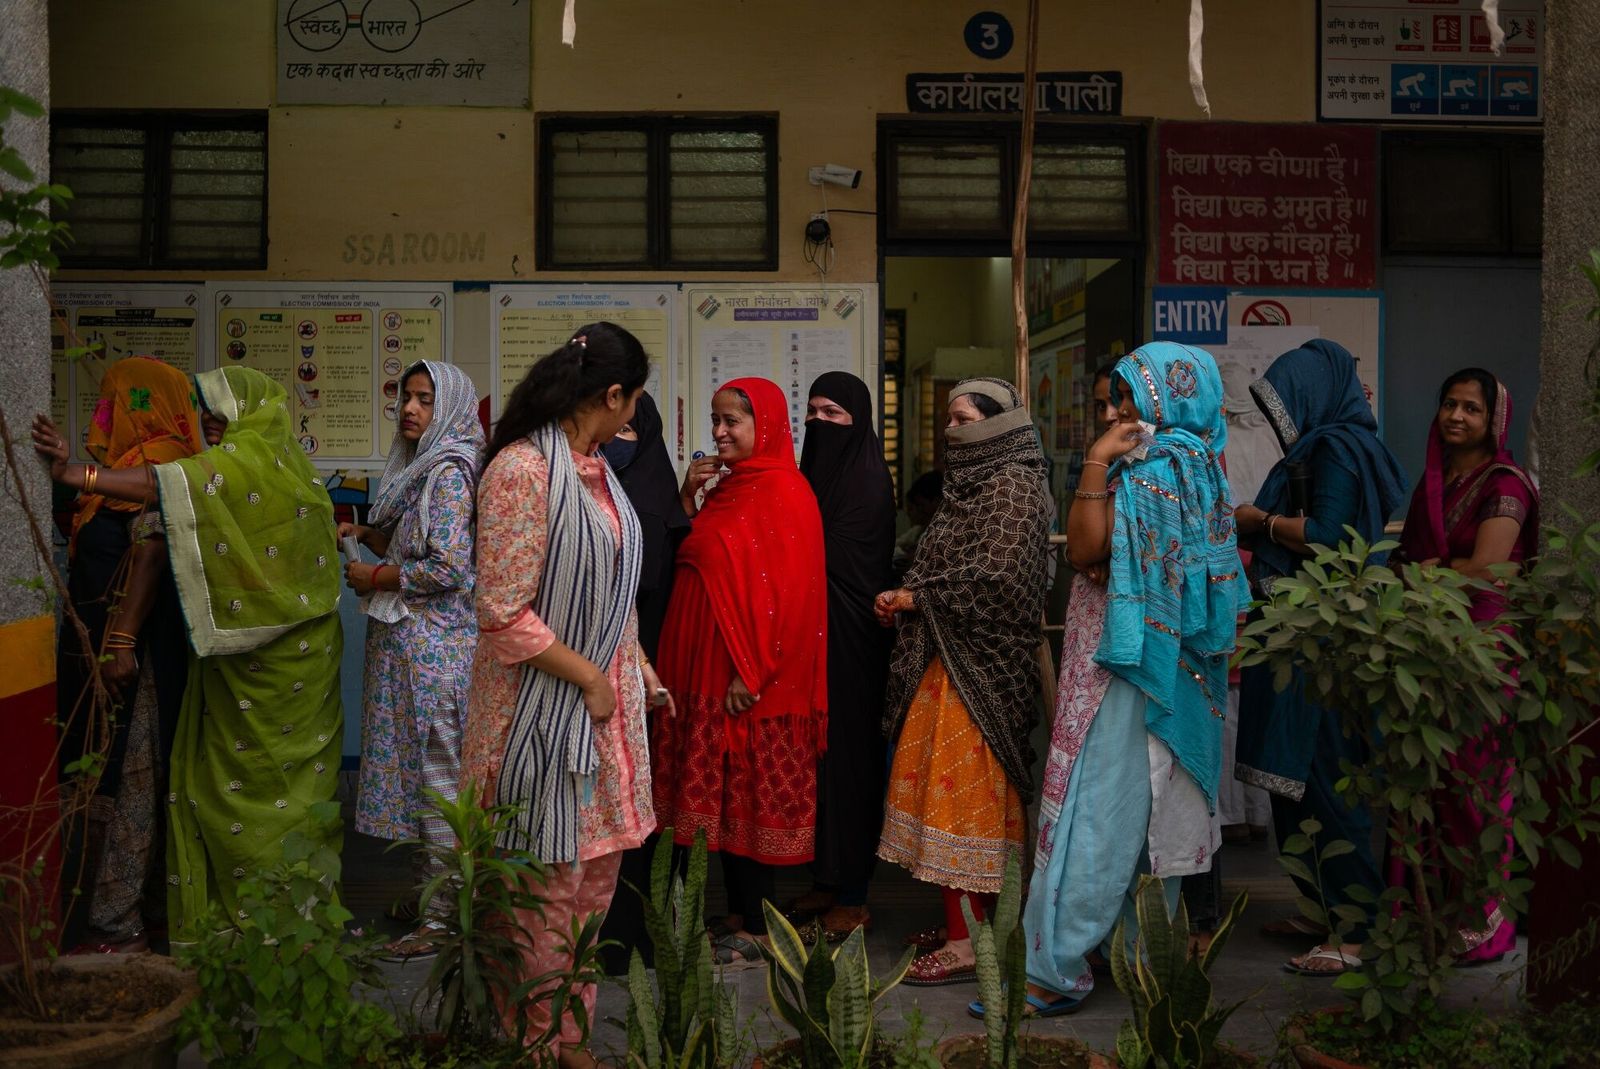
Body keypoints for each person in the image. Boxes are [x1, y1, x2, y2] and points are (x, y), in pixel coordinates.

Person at [34, 365, 345, 945]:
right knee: (210, 792)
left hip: (264, 671)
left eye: (221, 405)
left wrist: (77, 473)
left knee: (182, 787)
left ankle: (256, 920)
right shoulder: (241, 471)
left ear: (252, 413)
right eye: (203, 405)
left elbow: (159, 497)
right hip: (225, 668)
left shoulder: (232, 471)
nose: (209, 417)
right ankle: (247, 917)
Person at [1018, 343, 1246, 1015]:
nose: (1120, 412)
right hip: (1166, 666)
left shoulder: (1156, 470)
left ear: (1166, 399)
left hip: (1130, 668)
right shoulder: (1200, 465)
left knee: (1099, 813)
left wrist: (1095, 459)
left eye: (1128, 398)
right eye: (1115, 401)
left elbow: (1086, 548)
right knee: (1152, 815)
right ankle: (1144, 962)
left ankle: (1055, 970)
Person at [458, 323, 665, 1063]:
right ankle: (541, 1039)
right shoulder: (521, 470)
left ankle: (564, 1029)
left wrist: (634, 664)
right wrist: (587, 676)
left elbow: (607, 590)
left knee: (589, 890)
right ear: (609, 395)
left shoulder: (597, 469)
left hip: (598, 713)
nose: (634, 417)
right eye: (632, 400)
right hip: (536, 716)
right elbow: (502, 611)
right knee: (541, 890)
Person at [1232, 340, 1407, 975]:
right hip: (1298, 635)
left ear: (1315, 393)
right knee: (1292, 784)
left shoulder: (1337, 449)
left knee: (1326, 780)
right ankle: (1319, 907)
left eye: (1288, 401)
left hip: (1321, 647)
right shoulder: (1323, 445)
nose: (1283, 418)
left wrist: (1260, 522)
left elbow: (1333, 538)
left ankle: (1355, 931)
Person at [874, 378, 1052, 986]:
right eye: (948, 420)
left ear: (995, 424)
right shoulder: (971, 483)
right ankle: (967, 925)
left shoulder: (1015, 486)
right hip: (951, 663)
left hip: (984, 667)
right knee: (943, 793)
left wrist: (916, 596)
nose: (952, 432)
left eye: (962, 418)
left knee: (964, 802)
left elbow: (998, 579)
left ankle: (969, 943)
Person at [650, 377, 828, 965]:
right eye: (716, 419)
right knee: (719, 799)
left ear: (767, 425)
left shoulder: (787, 492)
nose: (720, 432)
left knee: (746, 795)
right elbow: (692, 555)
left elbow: (794, 596)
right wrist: (684, 501)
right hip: (697, 668)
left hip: (747, 677)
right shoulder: (726, 491)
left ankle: (755, 924)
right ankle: (733, 913)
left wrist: (753, 672)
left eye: (734, 421)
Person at [52, 357, 200, 953]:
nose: (103, 414)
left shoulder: (165, 468)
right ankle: (146, 909)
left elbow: (151, 549)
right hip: (113, 663)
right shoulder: (119, 472)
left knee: (133, 784)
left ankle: (120, 922)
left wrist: (119, 644)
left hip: (139, 668)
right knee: (117, 783)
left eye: (116, 402)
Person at [1392, 368, 1538, 964]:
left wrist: (1432, 571)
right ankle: (1427, 916)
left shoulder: (1506, 484)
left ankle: (1484, 924)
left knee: (1475, 789)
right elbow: (1412, 555)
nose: (1457, 417)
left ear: (1493, 420)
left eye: (1471, 409)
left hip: (1483, 655)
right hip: (1428, 649)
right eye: (1449, 404)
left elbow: (1491, 567)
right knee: (1426, 787)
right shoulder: (1436, 480)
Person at [341, 360, 483, 955]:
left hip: (435, 652)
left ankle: (445, 916)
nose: (410, 409)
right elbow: (421, 544)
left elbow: (449, 568)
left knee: (438, 780)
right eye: (406, 396)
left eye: (425, 399)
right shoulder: (419, 468)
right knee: (421, 777)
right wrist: (371, 538)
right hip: (411, 647)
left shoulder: (448, 472)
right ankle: (432, 896)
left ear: (448, 407)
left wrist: (377, 573)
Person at [787, 372, 897, 941]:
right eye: (812, 413)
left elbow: (836, 565)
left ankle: (853, 895)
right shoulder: (813, 479)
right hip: (814, 646)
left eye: (834, 414)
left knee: (851, 767)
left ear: (858, 420)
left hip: (854, 648)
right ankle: (827, 880)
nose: (819, 424)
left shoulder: (869, 483)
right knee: (820, 768)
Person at [595, 390, 690, 973]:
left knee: (638, 801)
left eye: (631, 435)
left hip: (646, 670)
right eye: (613, 434)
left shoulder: (657, 503)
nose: (617, 445)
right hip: (593, 666)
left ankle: (638, 935)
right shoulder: (579, 490)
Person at [891, 470, 942, 581]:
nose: (917, 511)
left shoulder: (942, 531)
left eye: (920, 505)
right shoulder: (919, 530)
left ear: (936, 502)